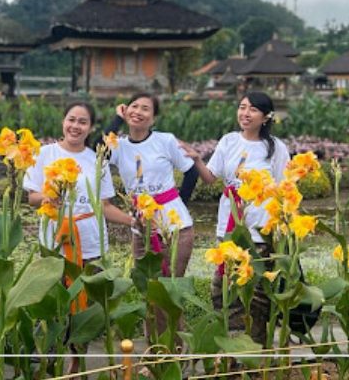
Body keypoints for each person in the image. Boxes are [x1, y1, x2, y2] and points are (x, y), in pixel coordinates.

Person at [24, 102, 135, 371]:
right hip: (55, 241)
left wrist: (135, 221)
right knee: (52, 303)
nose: (76, 126)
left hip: (90, 241)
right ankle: (47, 364)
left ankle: (77, 367)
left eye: (82, 122)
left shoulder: (96, 160)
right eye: (71, 119)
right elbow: (31, 198)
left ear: (91, 127)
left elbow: (105, 206)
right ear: (63, 121)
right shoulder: (44, 153)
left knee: (84, 309)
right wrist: (48, 197)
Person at [185, 91, 289, 347]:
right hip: (229, 228)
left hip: (259, 232)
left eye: (253, 109)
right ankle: (232, 349)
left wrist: (282, 229)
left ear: (265, 117)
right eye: (242, 107)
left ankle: (256, 352)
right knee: (222, 290)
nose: (245, 113)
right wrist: (197, 159)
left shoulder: (275, 148)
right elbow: (211, 178)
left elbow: (284, 189)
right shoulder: (229, 141)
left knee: (257, 297)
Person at [103, 93, 199, 339]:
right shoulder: (119, 146)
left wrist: (176, 205)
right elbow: (98, 149)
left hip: (175, 229)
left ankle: (173, 351)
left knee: (169, 292)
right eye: (133, 106)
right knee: (149, 292)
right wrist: (115, 120)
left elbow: (191, 173)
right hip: (141, 229)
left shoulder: (165, 141)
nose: (138, 111)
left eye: (145, 108)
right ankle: (154, 354)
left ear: (153, 118)